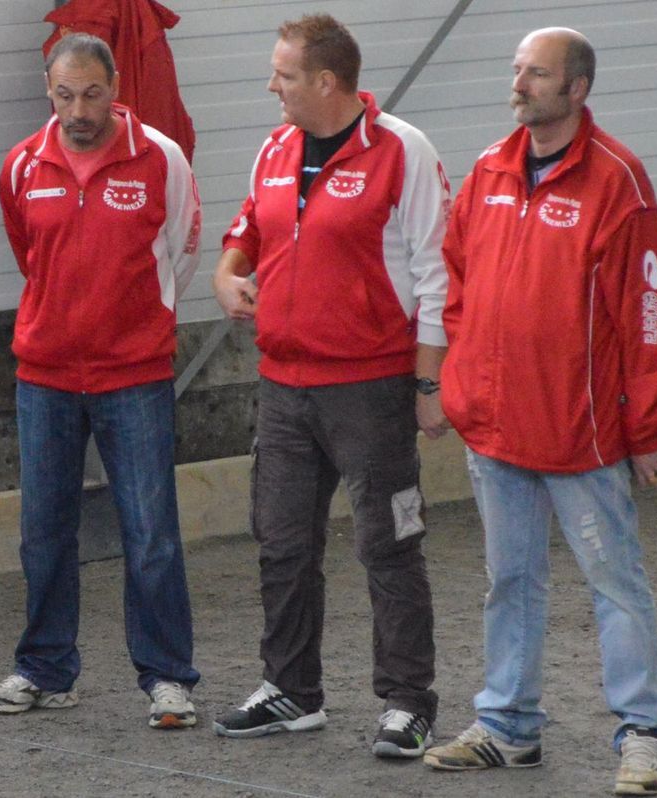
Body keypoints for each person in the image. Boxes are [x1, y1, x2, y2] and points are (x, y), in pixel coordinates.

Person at [422, 27, 657, 797]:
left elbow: (648, 315)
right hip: (498, 429)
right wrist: (458, 382)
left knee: (616, 584)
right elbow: (458, 280)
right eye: (518, 71)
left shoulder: (619, 184)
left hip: (583, 436)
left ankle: (645, 733)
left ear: (577, 90)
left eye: (536, 74)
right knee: (510, 580)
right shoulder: (490, 171)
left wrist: (643, 428)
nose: (520, 84)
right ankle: (507, 726)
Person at [210, 14, 450, 759]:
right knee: (281, 544)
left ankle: (408, 702)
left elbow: (439, 272)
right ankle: (291, 690)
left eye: (282, 75)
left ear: (326, 81)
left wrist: (429, 381)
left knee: (389, 544)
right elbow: (250, 228)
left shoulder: (403, 152)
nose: (270, 86)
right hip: (284, 386)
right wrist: (227, 272)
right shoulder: (276, 148)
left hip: (371, 388)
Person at [0, 33, 202, 728]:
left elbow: (184, 249)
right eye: (66, 94)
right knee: (43, 530)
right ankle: (45, 671)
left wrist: (135, 322)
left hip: (133, 376)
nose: (79, 109)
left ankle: (167, 678)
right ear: (50, 90)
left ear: (115, 88)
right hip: (43, 377)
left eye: (93, 94)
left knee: (151, 533)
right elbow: (29, 253)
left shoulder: (161, 158)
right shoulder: (21, 166)